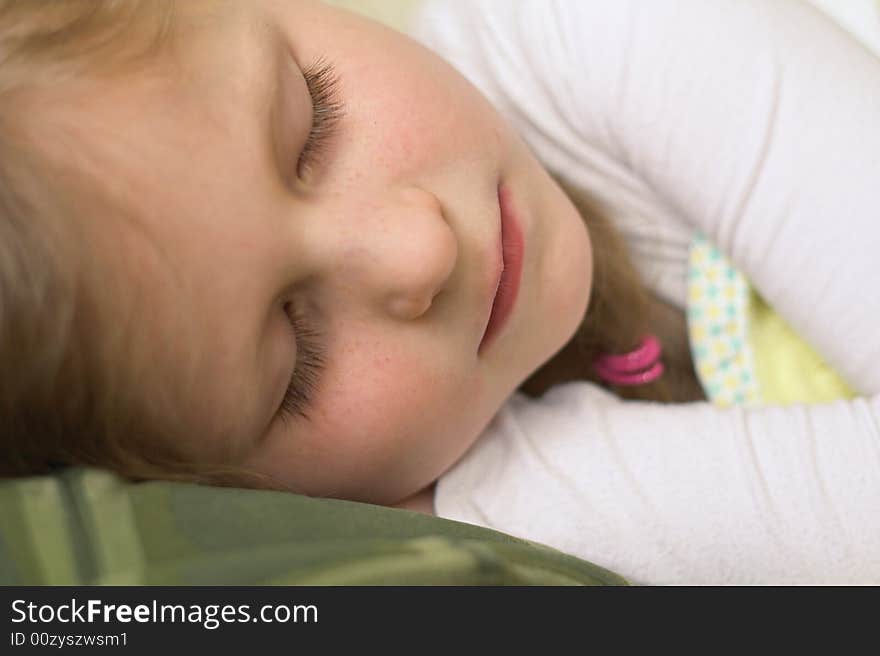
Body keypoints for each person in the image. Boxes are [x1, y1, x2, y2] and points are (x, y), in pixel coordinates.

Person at [0, 0, 877, 584]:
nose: (420, 250)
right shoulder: (445, 540)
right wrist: (494, 503)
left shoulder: (587, 26)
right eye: (294, 362)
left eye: (313, 119)